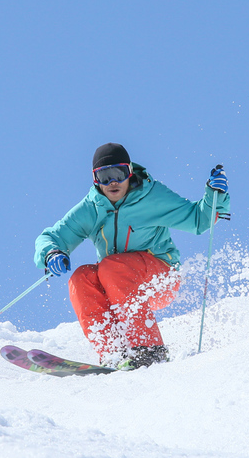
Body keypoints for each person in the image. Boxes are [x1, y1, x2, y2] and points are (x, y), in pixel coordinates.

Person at [34, 143, 230, 369]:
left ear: (130, 172)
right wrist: (51, 252)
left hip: (160, 278)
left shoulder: (152, 196)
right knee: (82, 277)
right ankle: (114, 352)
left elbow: (198, 219)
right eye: (104, 176)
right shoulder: (92, 208)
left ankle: (149, 350)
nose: (112, 182)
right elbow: (53, 236)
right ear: (95, 179)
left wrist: (216, 196)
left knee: (110, 266)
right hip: (117, 285)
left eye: (118, 174)